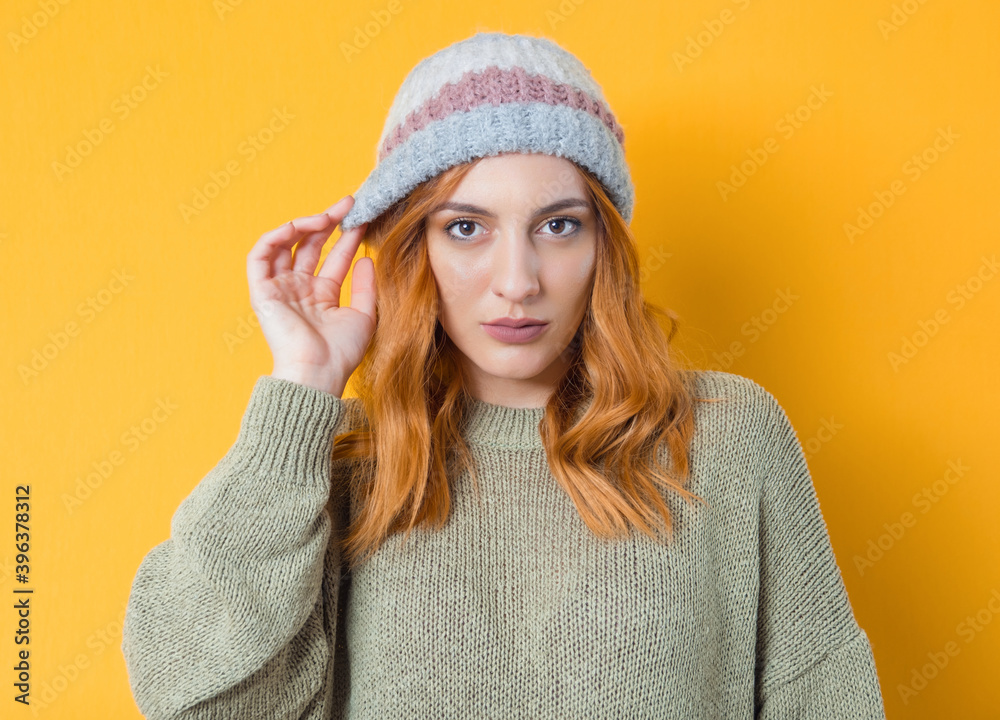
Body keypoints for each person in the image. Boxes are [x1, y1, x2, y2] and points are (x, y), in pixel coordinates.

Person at [121, 31, 887, 719]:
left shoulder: (726, 435)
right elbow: (192, 699)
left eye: (558, 225)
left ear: (603, 246)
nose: (517, 280)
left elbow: (825, 696)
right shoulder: (341, 470)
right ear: (409, 248)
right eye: (465, 228)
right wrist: (302, 387)